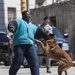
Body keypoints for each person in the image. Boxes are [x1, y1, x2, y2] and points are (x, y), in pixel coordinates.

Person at [8, 10, 48, 75]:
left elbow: (38, 32)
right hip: (19, 45)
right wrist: (11, 27)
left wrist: (44, 33)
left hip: (30, 45)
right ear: (23, 15)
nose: (29, 16)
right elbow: (12, 24)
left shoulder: (32, 26)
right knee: (18, 61)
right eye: (27, 14)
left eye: (29, 15)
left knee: (34, 62)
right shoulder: (19, 22)